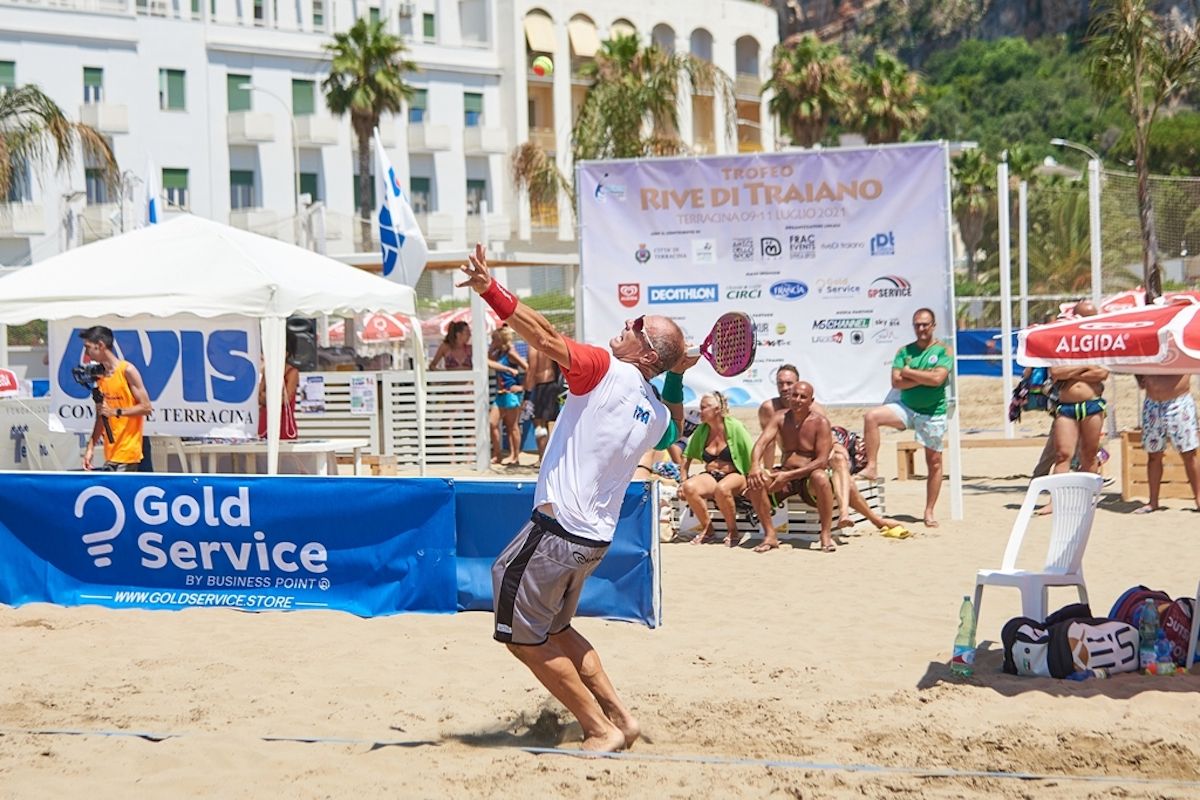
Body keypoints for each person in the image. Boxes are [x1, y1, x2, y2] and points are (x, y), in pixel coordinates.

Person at [459, 243, 693, 753]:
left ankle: (598, 728)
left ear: (645, 353)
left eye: (637, 326)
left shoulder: (606, 369)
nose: (627, 325)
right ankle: (622, 720)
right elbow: (675, 414)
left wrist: (490, 290)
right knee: (557, 630)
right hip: (593, 539)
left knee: (521, 637)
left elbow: (542, 335)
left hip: (557, 531)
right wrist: (675, 370)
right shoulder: (655, 414)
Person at [861, 308, 952, 528]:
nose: (921, 329)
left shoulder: (943, 351)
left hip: (933, 412)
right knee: (872, 416)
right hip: (906, 406)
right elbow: (896, 382)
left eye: (925, 324)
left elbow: (938, 379)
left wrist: (910, 373)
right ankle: (871, 465)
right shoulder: (904, 351)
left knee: (934, 462)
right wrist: (924, 377)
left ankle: (929, 511)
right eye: (917, 325)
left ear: (933, 325)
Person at [745, 381, 836, 553]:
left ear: (811, 400)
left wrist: (789, 476)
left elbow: (822, 461)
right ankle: (770, 535)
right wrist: (755, 465)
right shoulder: (780, 417)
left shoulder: (820, 422)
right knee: (756, 481)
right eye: (794, 395)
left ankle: (825, 534)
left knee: (821, 477)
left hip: (808, 475)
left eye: (803, 397)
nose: (798, 400)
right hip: (785, 472)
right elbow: (761, 443)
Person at [679, 391, 755, 547]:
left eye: (704, 407)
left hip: (736, 474)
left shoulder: (735, 427)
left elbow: (752, 453)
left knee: (722, 488)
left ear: (717, 410)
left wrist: (753, 478)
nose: (701, 411)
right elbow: (686, 456)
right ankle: (708, 529)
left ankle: (732, 530)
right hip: (711, 474)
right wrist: (683, 479)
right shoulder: (702, 429)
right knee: (689, 487)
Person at [1046, 299, 1108, 478]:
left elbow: (1102, 374)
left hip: (1092, 405)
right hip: (1066, 406)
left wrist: (1071, 372)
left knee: (1089, 454)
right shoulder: (1063, 341)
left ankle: (1086, 499)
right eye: (1085, 317)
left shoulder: (1100, 341)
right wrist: (1085, 367)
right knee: (1062, 454)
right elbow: (1056, 372)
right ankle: (1056, 501)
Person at [79, 325, 153, 471]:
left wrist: (115, 412)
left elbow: (146, 407)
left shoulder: (127, 371)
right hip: (111, 453)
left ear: (100, 345)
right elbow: (101, 417)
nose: (86, 353)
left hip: (128, 452)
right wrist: (90, 448)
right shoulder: (101, 377)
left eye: (88, 347)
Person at [1134, 373, 1200, 512]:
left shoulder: (1180, 350)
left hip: (1179, 402)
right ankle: (1153, 502)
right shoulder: (1149, 351)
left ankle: (1199, 499)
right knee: (1153, 454)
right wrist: (1139, 377)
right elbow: (1136, 361)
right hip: (1152, 403)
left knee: (1189, 453)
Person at [488, 326, 528, 465]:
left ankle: (515, 456)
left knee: (512, 426)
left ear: (501, 339)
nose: (492, 341)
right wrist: (492, 347)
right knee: (492, 423)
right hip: (500, 393)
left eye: (494, 339)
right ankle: (497, 454)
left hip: (511, 393)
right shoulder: (498, 353)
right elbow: (486, 361)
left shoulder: (511, 353)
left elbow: (527, 367)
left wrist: (523, 386)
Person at [523, 342, 563, 462]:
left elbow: (532, 369)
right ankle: (550, 457)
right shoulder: (549, 342)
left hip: (541, 385)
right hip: (553, 385)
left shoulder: (534, 345)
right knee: (550, 422)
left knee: (539, 423)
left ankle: (542, 458)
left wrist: (527, 394)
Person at [257, 334, 300, 440]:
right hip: (265, 420)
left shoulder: (292, 372)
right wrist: (271, 397)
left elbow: (285, 399)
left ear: (286, 353)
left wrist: (266, 396)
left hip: (284, 422)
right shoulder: (267, 370)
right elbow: (257, 395)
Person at [756, 364, 799, 468]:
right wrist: (768, 471)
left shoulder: (813, 408)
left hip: (812, 462)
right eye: (780, 384)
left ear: (798, 383)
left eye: (789, 383)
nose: (784, 388)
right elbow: (768, 443)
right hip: (788, 462)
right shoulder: (769, 409)